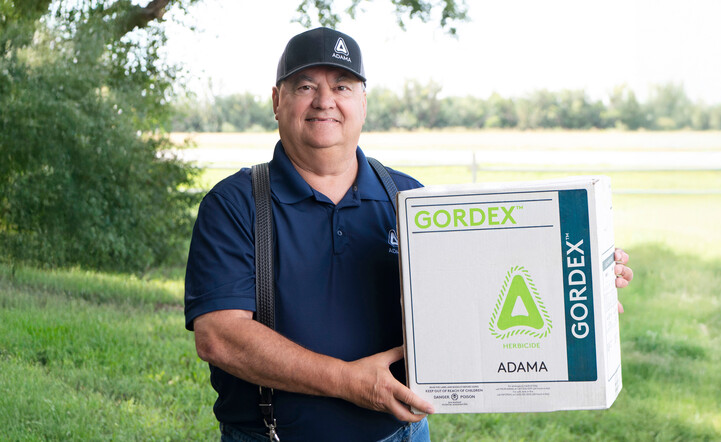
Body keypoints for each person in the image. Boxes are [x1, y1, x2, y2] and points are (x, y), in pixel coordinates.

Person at [184, 27, 634, 442]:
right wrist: (347, 381)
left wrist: (578, 277)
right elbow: (220, 336)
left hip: (401, 434)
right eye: (306, 87)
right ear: (277, 101)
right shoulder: (234, 203)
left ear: (363, 102)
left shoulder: (409, 198)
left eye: (342, 86)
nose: (325, 101)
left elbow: (481, 289)